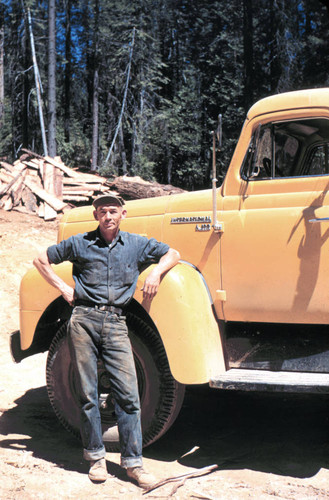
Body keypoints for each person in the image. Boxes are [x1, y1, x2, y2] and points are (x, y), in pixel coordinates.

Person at [33, 194, 180, 488]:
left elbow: (173, 253)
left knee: (128, 394)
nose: (108, 216)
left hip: (117, 322)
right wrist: (63, 287)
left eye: (113, 211)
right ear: (96, 216)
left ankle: (134, 465)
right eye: (102, 211)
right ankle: (96, 458)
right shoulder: (80, 243)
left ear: (123, 214)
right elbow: (40, 259)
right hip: (83, 320)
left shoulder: (137, 245)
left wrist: (156, 272)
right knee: (88, 393)